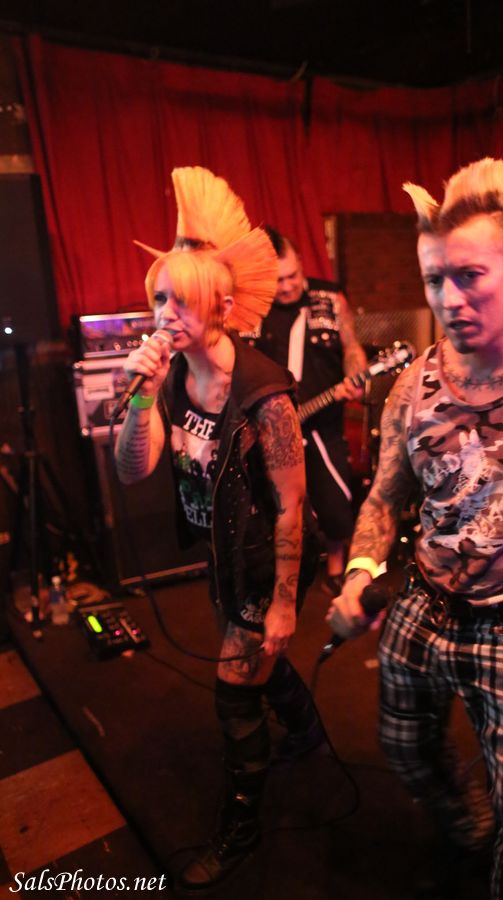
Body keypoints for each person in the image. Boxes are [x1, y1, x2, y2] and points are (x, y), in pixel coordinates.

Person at [327, 157, 503, 899]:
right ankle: (466, 828)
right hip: (426, 602)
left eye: (470, 276)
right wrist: (359, 573)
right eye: (434, 280)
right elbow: (383, 498)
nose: (450, 298)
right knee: (403, 748)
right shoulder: (412, 385)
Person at [115, 167, 322, 889]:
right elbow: (133, 470)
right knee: (259, 659)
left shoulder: (264, 395)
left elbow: (292, 504)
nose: (165, 313)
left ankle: (241, 828)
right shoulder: (172, 378)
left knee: (234, 692)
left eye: (182, 299)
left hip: (268, 556)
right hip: (223, 552)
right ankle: (306, 728)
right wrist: (142, 395)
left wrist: (285, 602)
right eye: (159, 297)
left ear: (224, 307)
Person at [242, 226, 368, 594]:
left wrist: (356, 373)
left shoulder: (329, 298)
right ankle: (282, 572)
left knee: (335, 501)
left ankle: (335, 566)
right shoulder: (254, 307)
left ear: (302, 265)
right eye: (278, 279)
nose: (286, 286)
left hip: (323, 421)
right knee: (278, 504)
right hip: (270, 425)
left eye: (292, 276)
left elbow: (351, 346)